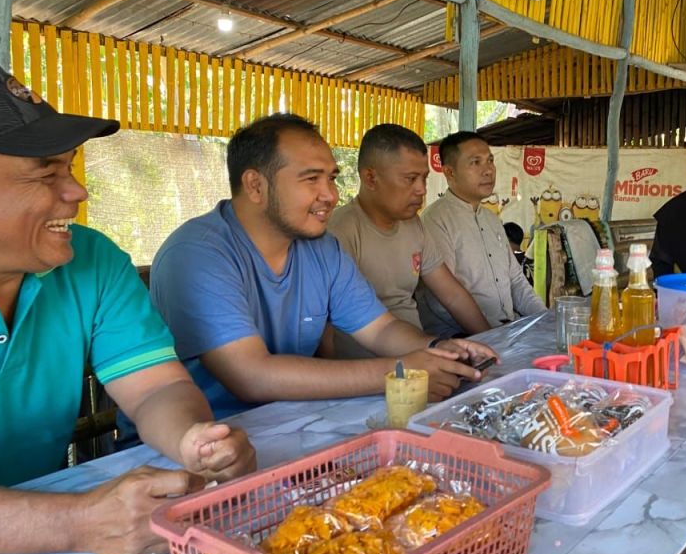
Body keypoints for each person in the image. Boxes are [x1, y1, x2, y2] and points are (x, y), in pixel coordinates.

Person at [0, 64, 256, 554]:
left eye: (69, 167)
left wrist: (194, 440)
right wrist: (76, 523)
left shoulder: (90, 260)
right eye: (46, 173)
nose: (77, 191)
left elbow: (157, 388)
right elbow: (76, 524)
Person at [149, 114, 497, 418]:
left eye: (331, 178)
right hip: (203, 440)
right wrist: (400, 370)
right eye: (311, 179)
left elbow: (380, 330)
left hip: (296, 420)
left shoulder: (321, 248)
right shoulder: (197, 255)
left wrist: (437, 350)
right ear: (255, 185)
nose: (331, 194)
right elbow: (251, 375)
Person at [329, 124, 493, 353]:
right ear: (370, 178)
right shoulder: (340, 232)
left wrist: (492, 342)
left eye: (424, 178)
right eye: (410, 178)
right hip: (364, 367)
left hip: (419, 356)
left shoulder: (414, 225)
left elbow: (453, 295)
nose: (421, 190)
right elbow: (326, 327)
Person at [416, 132, 547, 336]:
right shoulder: (435, 220)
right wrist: (492, 334)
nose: (488, 171)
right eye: (475, 162)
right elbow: (441, 299)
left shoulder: (492, 220)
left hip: (506, 331)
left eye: (490, 161)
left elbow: (516, 282)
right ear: (449, 172)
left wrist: (547, 320)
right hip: (460, 339)